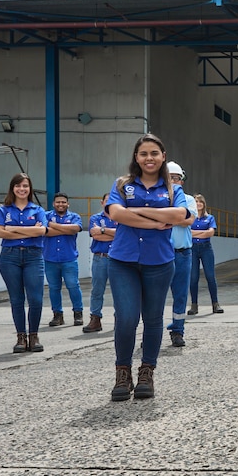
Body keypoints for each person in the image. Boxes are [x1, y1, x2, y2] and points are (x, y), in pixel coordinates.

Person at [105, 133, 190, 401]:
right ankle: (122, 372)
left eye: (154, 153)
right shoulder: (122, 184)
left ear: (163, 157)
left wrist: (134, 212)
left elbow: (180, 215)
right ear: (136, 157)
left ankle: (146, 372)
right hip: (123, 261)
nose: (149, 158)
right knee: (127, 317)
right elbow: (115, 213)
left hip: (159, 262)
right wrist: (155, 222)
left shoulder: (173, 190)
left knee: (153, 319)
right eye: (143, 154)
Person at [0, 173, 48, 354]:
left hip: (34, 256)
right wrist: (30, 230)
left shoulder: (38, 210)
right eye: (18, 185)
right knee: (17, 299)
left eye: (25, 185)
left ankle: (34, 335)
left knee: (36, 299)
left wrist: (13, 229)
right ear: (12, 188)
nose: (21, 189)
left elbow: (41, 231)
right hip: (10, 257)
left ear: (30, 188)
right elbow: (0, 233)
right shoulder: (4, 210)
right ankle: (21, 337)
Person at [165, 162, 197, 347]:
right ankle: (151, 333)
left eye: (176, 178)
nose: (173, 182)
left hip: (182, 254)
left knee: (181, 294)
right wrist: (176, 216)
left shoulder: (189, 199)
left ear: (182, 181)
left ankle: (178, 330)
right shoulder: (156, 198)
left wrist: (164, 217)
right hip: (161, 254)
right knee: (154, 296)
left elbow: (188, 221)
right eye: (169, 178)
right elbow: (180, 218)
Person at [43, 192, 84, 327]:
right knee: (54, 288)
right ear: (53, 204)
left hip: (69, 259)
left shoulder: (74, 216)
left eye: (63, 202)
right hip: (50, 259)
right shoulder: (45, 216)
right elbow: (45, 232)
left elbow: (75, 229)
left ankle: (78, 313)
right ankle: (57, 315)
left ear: (68, 204)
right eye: (58, 202)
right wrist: (66, 230)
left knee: (73, 286)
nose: (61, 204)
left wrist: (52, 225)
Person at [84, 194, 116, 333]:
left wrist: (103, 230)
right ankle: (95, 319)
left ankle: (120, 319)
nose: (109, 203)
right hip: (100, 258)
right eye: (107, 201)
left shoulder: (121, 218)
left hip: (118, 259)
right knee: (97, 290)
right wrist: (113, 234)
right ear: (102, 202)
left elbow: (122, 234)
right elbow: (96, 236)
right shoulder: (95, 218)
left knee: (119, 291)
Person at [189, 193, 221, 315]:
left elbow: (210, 233)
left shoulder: (210, 218)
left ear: (204, 204)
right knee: (193, 278)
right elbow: (188, 232)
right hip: (192, 249)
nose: (198, 204)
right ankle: (194, 305)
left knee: (210, 276)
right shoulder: (190, 217)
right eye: (196, 202)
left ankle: (215, 304)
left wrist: (195, 233)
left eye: (200, 202)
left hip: (206, 248)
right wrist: (203, 232)